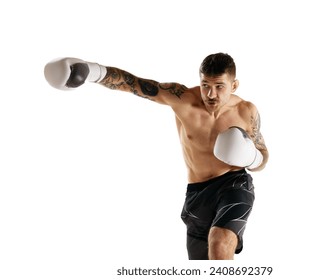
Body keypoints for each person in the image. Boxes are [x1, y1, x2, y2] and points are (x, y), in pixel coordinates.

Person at [44, 53, 269, 260]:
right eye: (205, 85)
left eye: (220, 86)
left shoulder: (246, 111)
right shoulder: (183, 99)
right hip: (197, 192)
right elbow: (134, 84)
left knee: (220, 244)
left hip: (234, 184)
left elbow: (264, 155)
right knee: (202, 262)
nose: (211, 94)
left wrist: (252, 159)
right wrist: (92, 71)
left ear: (234, 84)